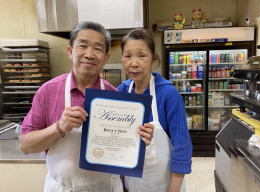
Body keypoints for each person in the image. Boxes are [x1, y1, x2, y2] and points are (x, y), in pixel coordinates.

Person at [19, 21, 153, 192]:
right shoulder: (48, 91)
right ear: (70, 51)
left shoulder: (116, 97)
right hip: (61, 188)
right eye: (82, 46)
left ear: (105, 58)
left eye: (97, 49)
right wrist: (59, 127)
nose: (89, 54)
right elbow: (25, 146)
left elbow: (121, 156)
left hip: (104, 187)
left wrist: (138, 140)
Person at [117, 29, 192, 192]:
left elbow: (182, 147)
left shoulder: (168, 94)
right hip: (132, 185)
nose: (134, 63)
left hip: (165, 186)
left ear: (154, 59)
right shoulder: (121, 92)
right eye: (128, 56)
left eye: (141, 55)